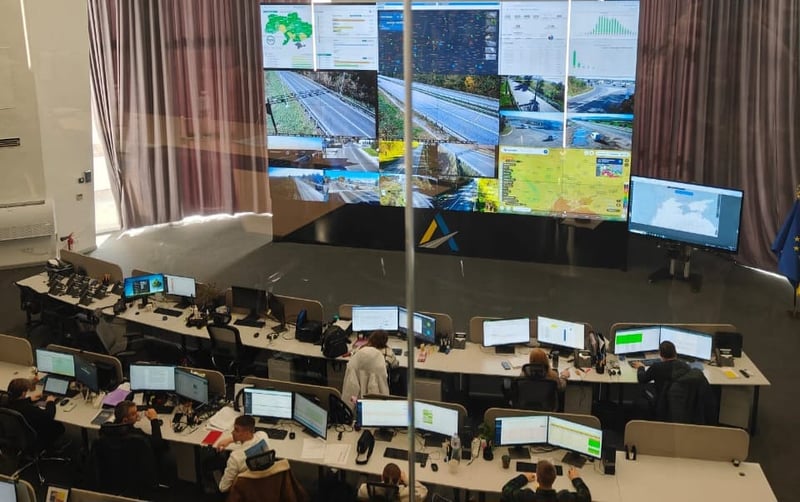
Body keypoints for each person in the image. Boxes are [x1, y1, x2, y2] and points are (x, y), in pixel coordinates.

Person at [99, 400, 173, 484]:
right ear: (125, 420)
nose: (137, 414)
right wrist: (154, 420)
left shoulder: (107, 430)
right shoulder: (137, 436)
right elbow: (158, 444)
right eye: (134, 414)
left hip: (115, 472)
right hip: (139, 474)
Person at [5, 378, 67, 452]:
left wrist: (29, 399)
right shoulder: (29, 409)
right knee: (58, 425)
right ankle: (53, 448)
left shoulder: (6, 404)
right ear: (23, 393)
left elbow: (19, 403)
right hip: (32, 438)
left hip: (13, 435)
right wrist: (50, 402)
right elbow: (49, 415)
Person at [213, 415, 271, 493]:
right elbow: (255, 435)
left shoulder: (235, 457)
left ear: (247, 433)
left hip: (245, 492)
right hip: (264, 486)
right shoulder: (263, 436)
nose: (232, 432)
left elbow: (223, 488)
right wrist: (229, 440)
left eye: (236, 430)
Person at [342, 330, 391, 408]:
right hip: (375, 400)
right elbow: (394, 363)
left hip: (354, 399)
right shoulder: (385, 353)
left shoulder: (360, 349)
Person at [501, 460, 591, 502]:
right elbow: (586, 496)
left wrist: (523, 477)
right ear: (554, 478)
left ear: (538, 479)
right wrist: (576, 478)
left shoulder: (527, 496)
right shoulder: (564, 497)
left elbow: (506, 490)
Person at [357, 462, 428, 502]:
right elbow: (424, 491)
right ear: (400, 479)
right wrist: (406, 479)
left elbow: (359, 494)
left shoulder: (368, 489)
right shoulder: (406, 494)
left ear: (382, 477)